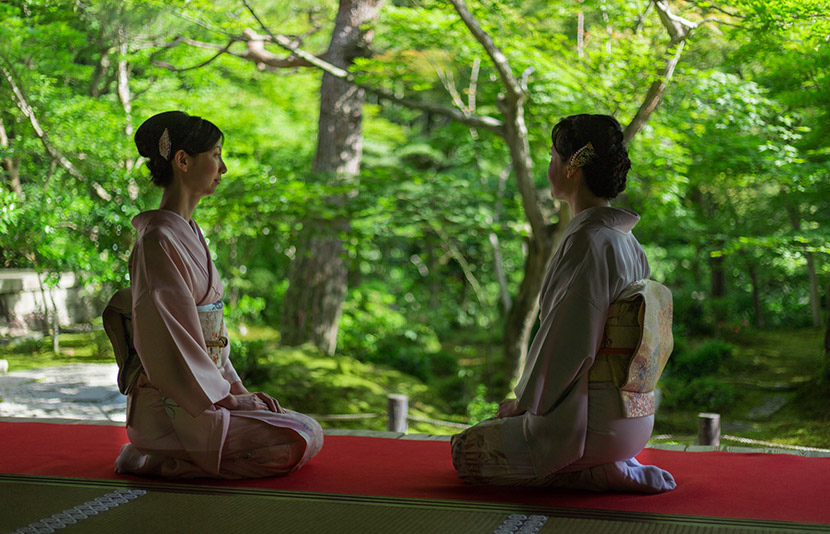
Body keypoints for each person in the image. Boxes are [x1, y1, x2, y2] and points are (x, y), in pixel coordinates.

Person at [451, 114, 676, 493]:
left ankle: (587, 469)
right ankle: (612, 463)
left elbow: (570, 339)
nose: (550, 164)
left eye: (554, 156)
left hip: (592, 422)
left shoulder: (588, 240)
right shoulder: (626, 242)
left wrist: (523, 401)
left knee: (465, 452)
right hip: (635, 420)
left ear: (573, 167)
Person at [110, 111, 323, 479]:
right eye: (216, 155)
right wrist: (228, 400)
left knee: (306, 428)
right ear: (183, 161)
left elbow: (213, 339)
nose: (222, 168)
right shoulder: (158, 240)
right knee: (289, 443)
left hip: (208, 393)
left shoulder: (188, 232)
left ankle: (171, 458)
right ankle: (154, 454)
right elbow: (171, 342)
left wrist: (240, 392)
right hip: (175, 405)